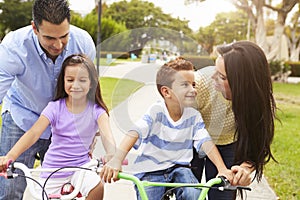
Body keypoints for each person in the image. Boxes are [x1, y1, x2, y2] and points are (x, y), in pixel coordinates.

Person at [100, 57, 233, 200]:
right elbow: (135, 132)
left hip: (180, 169)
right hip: (151, 169)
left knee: (194, 194)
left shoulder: (194, 116)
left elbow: (205, 142)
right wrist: (117, 160)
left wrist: (222, 169)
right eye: (185, 85)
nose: (193, 90)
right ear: (166, 92)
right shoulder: (157, 111)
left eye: (193, 84)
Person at [0, 0, 96, 199]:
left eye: (64, 36)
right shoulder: (14, 46)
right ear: (34, 27)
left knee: (63, 190)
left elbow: (88, 93)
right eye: (50, 38)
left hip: (63, 124)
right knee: (9, 188)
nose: (58, 44)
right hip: (22, 117)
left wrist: (88, 140)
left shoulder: (83, 42)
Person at [0, 54, 116, 200]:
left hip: (81, 168)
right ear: (63, 81)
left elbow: (107, 136)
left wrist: (113, 156)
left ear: (92, 83)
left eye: (82, 80)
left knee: (97, 186)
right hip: (53, 170)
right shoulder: (55, 108)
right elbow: (34, 133)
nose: (75, 85)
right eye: (70, 80)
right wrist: (10, 156)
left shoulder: (97, 111)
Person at [191, 40, 277, 199]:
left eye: (222, 76)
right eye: (215, 69)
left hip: (227, 143)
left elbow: (257, 144)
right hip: (192, 140)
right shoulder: (198, 85)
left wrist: (245, 168)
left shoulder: (256, 100)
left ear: (243, 83)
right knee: (187, 192)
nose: (213, 77)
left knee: (222, 194)